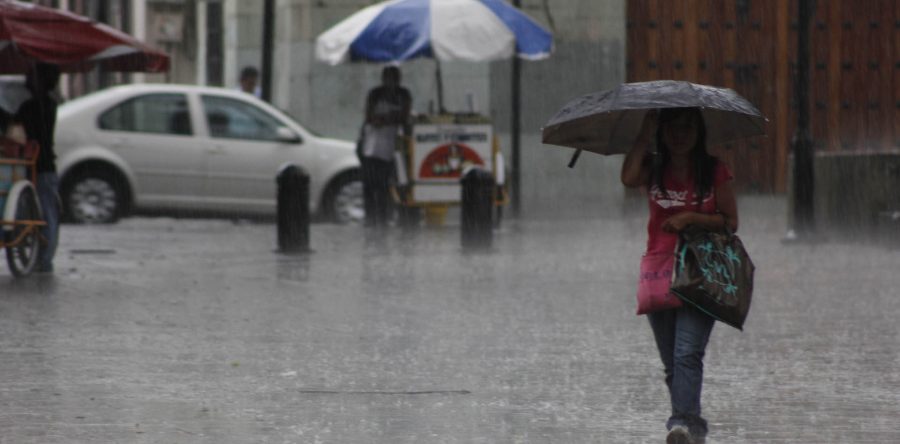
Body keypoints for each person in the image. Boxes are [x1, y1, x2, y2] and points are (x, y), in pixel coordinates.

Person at [620, 107, 738, 444]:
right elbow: (628, 177)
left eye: (687, 127)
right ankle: (692, 430)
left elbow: (730, 221)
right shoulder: (655, 167)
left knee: (688, 353)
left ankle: (680, 423)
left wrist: (690, 217)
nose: (680, 134)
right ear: (662, 132)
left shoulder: (714, 170)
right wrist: (644, 132)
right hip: (659, 271)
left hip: (702, 271)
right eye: (672, 127)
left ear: (699, 131)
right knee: (673, 361)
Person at [15, 63, 62, 273]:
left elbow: (21, 127)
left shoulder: (33, 107)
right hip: (43, 165)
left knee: (44, 212)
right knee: (46, 211)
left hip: (38, 165)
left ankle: (43, 258)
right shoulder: (49, 104)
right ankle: (43, 257)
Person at [360, 66, 411, 227]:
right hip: (371, 147)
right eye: (387, 78)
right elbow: (370, 117)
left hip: (392, 147)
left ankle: (385, 216)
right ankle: (371, 217)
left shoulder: (403, 94)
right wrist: (387, 118)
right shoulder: (375, 93)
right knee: (370, 184)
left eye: (394, 78)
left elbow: (403, 116)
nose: (390, 82)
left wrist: (385, 119)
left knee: (387, 184)